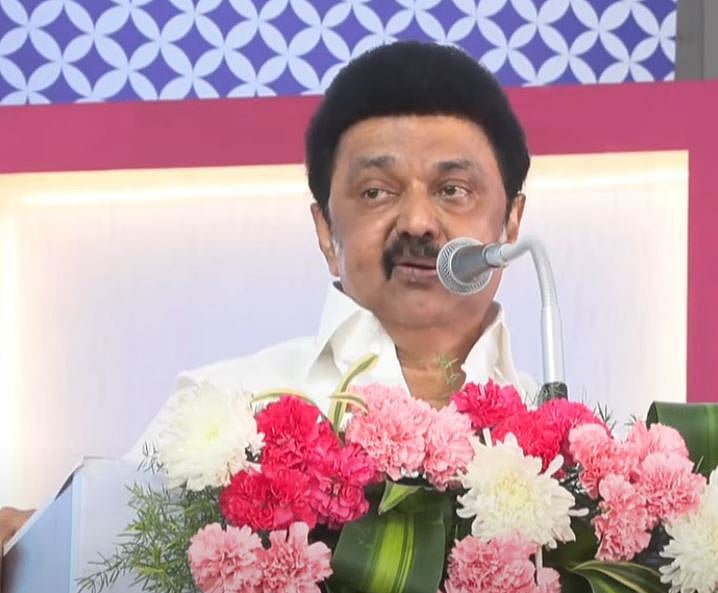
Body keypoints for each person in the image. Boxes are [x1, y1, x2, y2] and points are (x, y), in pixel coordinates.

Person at [0, 41, 535, 546]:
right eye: (376, 192)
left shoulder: (560, 451)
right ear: (325, 230)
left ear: (511, 221)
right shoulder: (222, 410)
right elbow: (100, 565)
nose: (417, 222)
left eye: (452, 190)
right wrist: (30, 547)